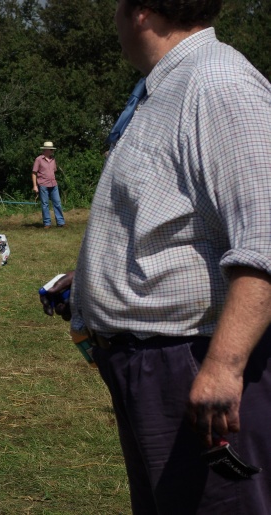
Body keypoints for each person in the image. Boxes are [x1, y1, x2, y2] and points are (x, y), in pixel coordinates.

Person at [40, 1, 271, 512]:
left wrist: (224, 368)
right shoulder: (166, 87)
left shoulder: (218, 85)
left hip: (192, 365)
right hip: (153, 367)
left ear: (141, 12)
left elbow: (266, 237)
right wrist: (92, 279)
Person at [31, 142, 64, 228]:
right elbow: (34, 173)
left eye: (52, 149)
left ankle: (60, 222)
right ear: (46, 150)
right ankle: (47, 223)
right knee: (45, 204)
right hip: (43, 184)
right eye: (51, 149)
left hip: (53, 184)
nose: (52, 151)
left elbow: (54, 171)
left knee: (57, 203)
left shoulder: (53, 159)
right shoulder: (39, 159)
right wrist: (35, 186)